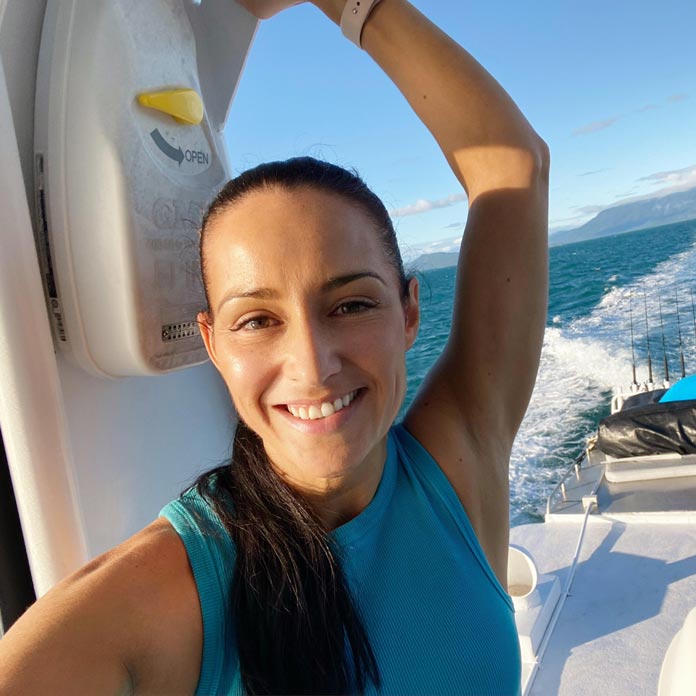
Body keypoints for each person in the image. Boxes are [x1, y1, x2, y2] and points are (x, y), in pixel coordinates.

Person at [0, 0, 549, 694]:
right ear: (213, 343)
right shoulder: (156, 598)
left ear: (408, 313)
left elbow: (514, 166)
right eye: (257, 320)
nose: (314, 365)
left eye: (351, 304)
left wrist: (347, 6)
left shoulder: (460, 459)